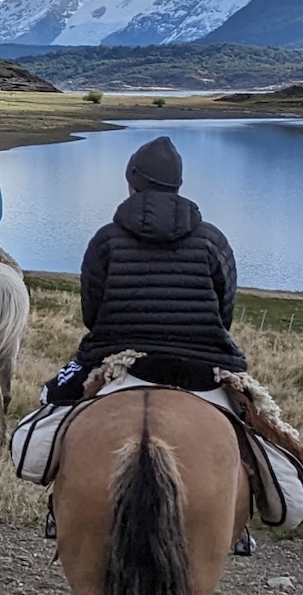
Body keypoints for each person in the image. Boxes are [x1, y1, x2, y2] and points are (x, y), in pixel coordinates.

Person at [41, 134, 245, 405]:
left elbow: (91, 313)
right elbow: (224, 312)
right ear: (176, 185)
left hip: (114, 355)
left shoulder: (106, 240)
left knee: (46, 405)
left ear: (132, 183)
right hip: (204, 364)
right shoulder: (213, 240)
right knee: (264, 433)